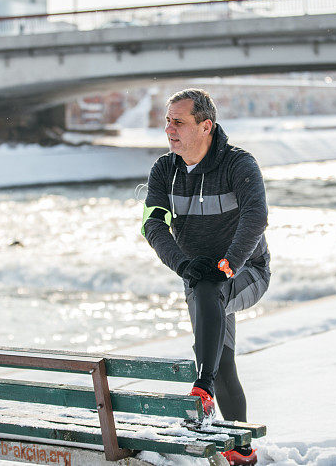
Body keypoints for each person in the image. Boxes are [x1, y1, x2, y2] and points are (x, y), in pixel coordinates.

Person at [141, 88, 270, 466]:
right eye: (167, 121)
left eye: (178, 122)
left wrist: (228, 263)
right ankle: (242, 450)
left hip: (246, 270)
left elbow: (255, 218)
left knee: (211, 345)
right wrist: (183, 264)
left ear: (206, 126)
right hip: (197, 278)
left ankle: (203, 388)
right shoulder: (165, 170)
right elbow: (153, 225)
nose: (169, 129)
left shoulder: (239, 165)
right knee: (219, 358)